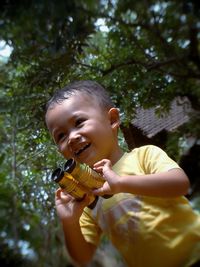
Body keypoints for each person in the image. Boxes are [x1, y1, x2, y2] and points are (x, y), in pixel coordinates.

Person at [45, 80, 200, 267]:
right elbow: (83, 257)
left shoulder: (143, 155)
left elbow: (180, 184)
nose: (71, 137)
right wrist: (69, 223)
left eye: (79, 122)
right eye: (60, 136)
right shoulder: (86, 199)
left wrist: (121, 183)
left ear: (112, 120)